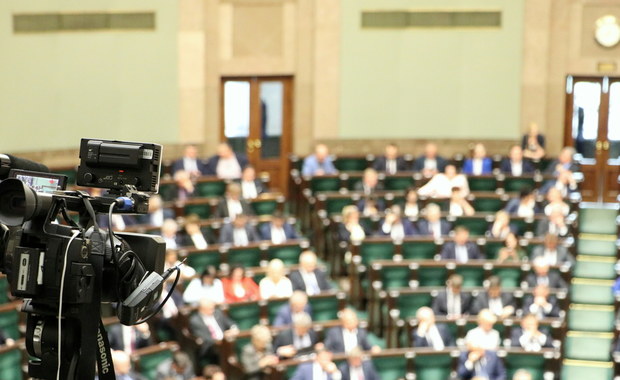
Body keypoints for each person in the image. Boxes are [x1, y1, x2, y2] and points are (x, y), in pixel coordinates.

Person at [189, 297, 238, 364]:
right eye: (210, 309)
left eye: (213, 308)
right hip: (210, 347)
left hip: (225, 341)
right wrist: (222, 339)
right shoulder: (195, 321)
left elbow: (231, 323)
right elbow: (205, 338)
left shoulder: (217, 313)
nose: (213, 310)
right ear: (201, 309)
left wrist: (233, 329)